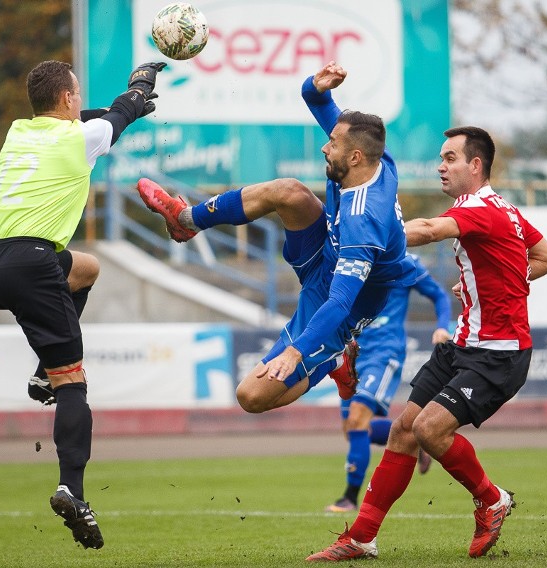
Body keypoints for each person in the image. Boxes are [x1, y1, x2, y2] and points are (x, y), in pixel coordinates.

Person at [307, 126, 547, 561]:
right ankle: (363, 536)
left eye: (450, 158)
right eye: (441, 158)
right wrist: (492, 286)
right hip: (463, 346)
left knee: (428, 428)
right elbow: (546, 258)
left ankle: (491, 499)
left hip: (498, 354)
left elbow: (425, 228)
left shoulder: (482, 209)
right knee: (405, 429)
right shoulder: (505, 211)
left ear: (475, 165)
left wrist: (367, 235)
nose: (441, 166)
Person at [136, 61, 417, 414]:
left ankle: (334, 360)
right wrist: (317, 87)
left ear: (355, 157)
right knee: (290, 191)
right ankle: (186, 220)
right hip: (325, 252)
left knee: (251, 396)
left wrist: (297, 350)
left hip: (339, 301)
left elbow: (342, 301)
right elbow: (314, 101)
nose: (324, 148)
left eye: (331, 143)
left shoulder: (365, 220)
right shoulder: (369, 155)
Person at [0, 59, 167, 549]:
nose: (80, 100)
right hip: (29, 263)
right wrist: (137, 92)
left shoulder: (20, 131)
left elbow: (96, 117)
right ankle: (72, 490)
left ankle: (41, 370)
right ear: (66, 100)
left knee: (86, 268)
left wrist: (127, 106)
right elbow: (117, 117)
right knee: (73, 381)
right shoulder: (80, 140)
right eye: (76, 93)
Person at [326, 253, 452, 513]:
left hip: (385, 351)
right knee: (353, 428)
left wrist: (442, 327)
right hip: (352, 351)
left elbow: (439, 295)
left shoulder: (405, 261)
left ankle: (349, 498)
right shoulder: (351, 255)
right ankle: (415, 439)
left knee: (358, 418)